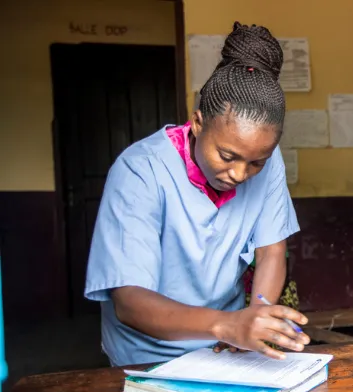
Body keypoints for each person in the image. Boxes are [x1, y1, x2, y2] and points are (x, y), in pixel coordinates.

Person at [84, 22, 310, 366]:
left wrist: (257, 315)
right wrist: (230, 324)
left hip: (225, 351)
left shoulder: (264, 157)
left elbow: (271, 252)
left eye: (255, 163)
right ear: (198, 121)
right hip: (146, 357)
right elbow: (129, 302)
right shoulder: (139, 170)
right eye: (227, 156)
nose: (239, 173)